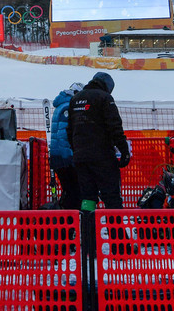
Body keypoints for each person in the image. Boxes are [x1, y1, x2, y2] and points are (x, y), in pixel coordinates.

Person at [67, 72, 130, 210]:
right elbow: (115, 127)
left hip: (81, 158)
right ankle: (115, 230)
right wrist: (124, 151)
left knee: (88, 197)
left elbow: (70, 130)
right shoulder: (105, 98)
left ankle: (87, 229)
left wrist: (77, 150)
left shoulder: (75, 99)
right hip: (102, 157)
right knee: (111, 196)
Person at [49, 82, 84, 210]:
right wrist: (71, 158)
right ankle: (68, 223)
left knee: (69, 191)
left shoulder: (62, 105)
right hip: (65, 158)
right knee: (74, 192)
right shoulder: (68, 108)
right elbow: (64, 136)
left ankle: (66, 223)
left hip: (59, 156)